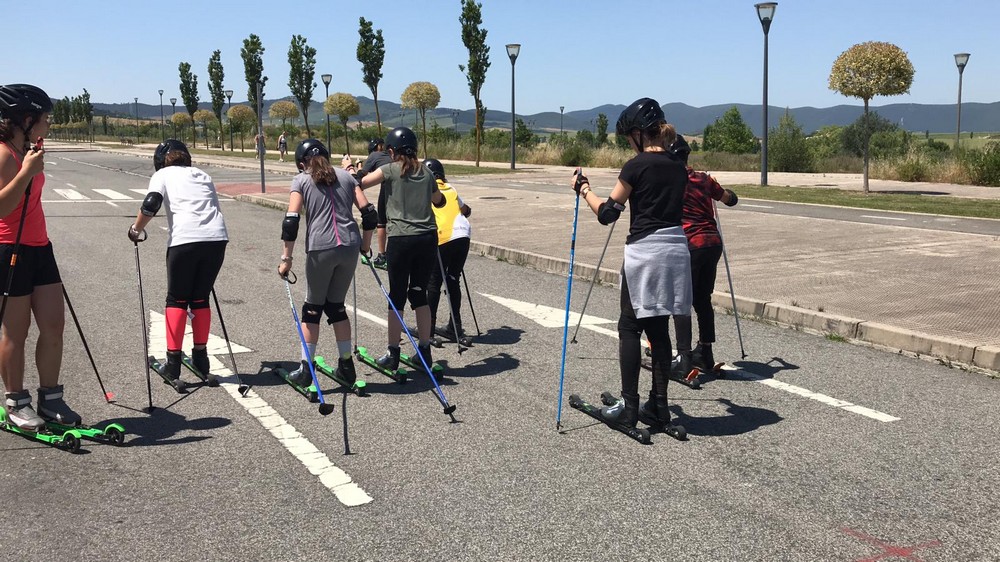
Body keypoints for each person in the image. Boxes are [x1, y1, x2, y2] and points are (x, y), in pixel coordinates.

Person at [570, 97, 690, 431]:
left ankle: (629, 406)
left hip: (647, 251)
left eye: (628, 137)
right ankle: (660, 407)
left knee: (629, 326)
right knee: (659, 327)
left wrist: (584, 190)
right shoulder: (678, 164)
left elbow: (608, 213)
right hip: (677, 249)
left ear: (638, 133)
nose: (628, 143)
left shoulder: (635, 166)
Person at [0, 84, 81, 430]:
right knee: (14, 331)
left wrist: (31, 164)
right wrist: (26, 172)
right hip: (10, 248)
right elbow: (2, 207)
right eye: (45, 118)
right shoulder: (5, 154)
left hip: (39, 247)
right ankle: (16, 402)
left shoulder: (27, 149)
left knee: (53, 325)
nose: (49, 124)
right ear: (26, 118)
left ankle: (51, 398)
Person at [128, 139, 228, 389]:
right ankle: (201, 361)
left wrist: (135, 229)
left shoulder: (163, 174)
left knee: (177, 300)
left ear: (160, 160)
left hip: (185, 240)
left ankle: (172, 364)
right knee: (200, 299)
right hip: (216, 239)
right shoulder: (203, 175)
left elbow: (151, 203)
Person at [278, 139, 376, 386]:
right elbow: (369, 213)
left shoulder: (301, 180)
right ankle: (346, 364)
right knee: (336, 307)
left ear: (302, 163)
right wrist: (366, 244)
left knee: (312, 308)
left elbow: (291, 221)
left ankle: (305, 369)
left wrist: (286, 258)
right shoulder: (346, 176)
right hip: (350, 246)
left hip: (321, 248)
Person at [358, 128, 444, 374]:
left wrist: (353, 169)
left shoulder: (390, 170)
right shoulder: (426, 172)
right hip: (427, 239)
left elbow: (361, 183)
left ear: (392, 151)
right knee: (419, 294)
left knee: (397, 297)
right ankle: (424, 350)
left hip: (401, 239)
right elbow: (439, 200)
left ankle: (392, 352)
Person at [668, 135, 738, 373]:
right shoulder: (703, 179)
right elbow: (730, 199)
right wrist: (719, 187)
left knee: (682, 300)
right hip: (712, 243)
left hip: (691, 245)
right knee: (702, 299)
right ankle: (705, 352)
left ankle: (684, 356)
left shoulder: (670, 181)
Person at [422, 158, 473, 346]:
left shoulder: (426, 189)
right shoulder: (451, 189)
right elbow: (466, 210)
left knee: (433, 282)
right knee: (453, 278)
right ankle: (455, 326)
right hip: (463, 236)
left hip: (443, 238)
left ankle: (428, 329)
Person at [357, 138, 391, 268]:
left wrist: (358, 166)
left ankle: (382, 256)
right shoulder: (391, 154)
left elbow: (361, 176)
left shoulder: (374, 155)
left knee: (381, 222)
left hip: (387, 185)